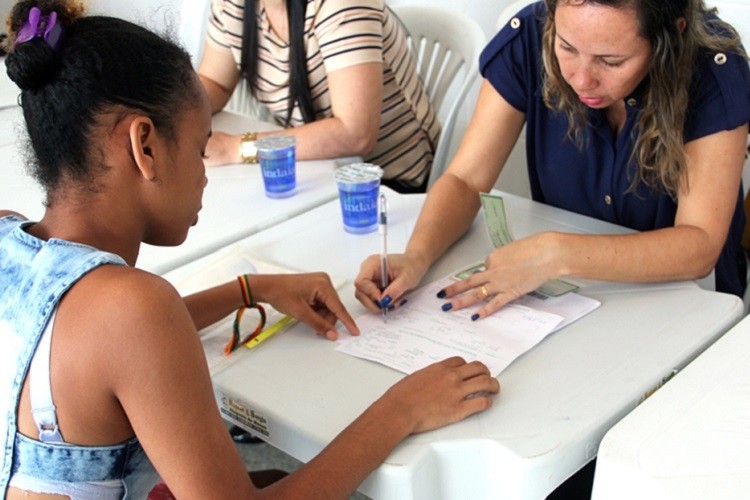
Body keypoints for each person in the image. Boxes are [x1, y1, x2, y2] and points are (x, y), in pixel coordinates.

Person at [0, 1, 500, 498]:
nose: (204, 176)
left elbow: (113, 345)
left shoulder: (11, 236)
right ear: (144, 147)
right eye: (199, 150)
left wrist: (252, 289)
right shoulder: (133, 309)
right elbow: (135, 331)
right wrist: (402, 408)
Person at [355, 0, 750, 320]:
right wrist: (416, 255)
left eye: (611, 62)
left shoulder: (713, 69)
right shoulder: (530, 35)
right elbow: (465, 178)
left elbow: (699, 246)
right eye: (566, 47)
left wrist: (555, 254)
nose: (580, 79)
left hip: (684, 300)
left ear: (671, 37)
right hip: (566, 296)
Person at [198, 0, 440, 193]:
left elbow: (355, 133)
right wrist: (171, 115)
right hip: (316, 169)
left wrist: (237, 148)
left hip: (386, 186)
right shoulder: (231, 5)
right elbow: (216, 83)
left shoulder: (342, 4)